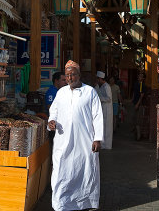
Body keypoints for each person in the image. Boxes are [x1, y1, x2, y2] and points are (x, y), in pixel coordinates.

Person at [48, 60, 103, 211]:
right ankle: (60, 204)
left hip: (84, 141)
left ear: (79, 75)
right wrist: (51, 121)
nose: (70, 78)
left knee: (84, 170)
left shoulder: (90, 92)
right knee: (61, 171)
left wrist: (97, 138)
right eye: (67, 76)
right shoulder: (61, 93)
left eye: (73, 74)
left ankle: (85, 202)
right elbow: (54, 111)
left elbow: (97, 115)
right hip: (63, 140)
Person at [96, 71, 113, 149]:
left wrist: (100, 99)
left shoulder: (106, 87)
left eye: (98, 79)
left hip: (107, 109)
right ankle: (103, 144)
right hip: (103, 108)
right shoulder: (101, 86)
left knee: (107, 127)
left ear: (100, 79)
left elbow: (108, 98)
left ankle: (107, 145)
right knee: (103, 126)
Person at [132, 72, 146, 141]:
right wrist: (132, 100)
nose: (139, 77)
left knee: (138, 120)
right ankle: (136, 134)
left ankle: (138, 136)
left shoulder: (142, 85)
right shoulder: (136, 84)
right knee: (134, 118)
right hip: (135, 102)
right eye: (139, 76)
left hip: (139, 104)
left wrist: (137, 104)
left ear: (143, 78)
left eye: (141, 76)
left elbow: (141, 96)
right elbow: (134, 93)